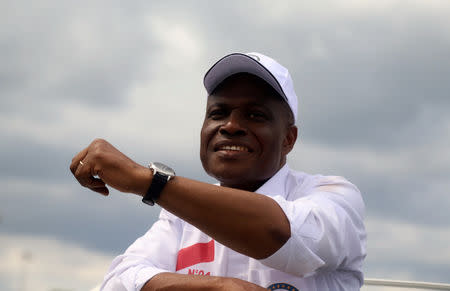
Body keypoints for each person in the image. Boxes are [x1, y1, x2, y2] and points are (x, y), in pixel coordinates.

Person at [70, 52, 366, 291]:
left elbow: (282, 233)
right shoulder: (179, 215)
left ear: (288, 139)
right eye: (218, 113)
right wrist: (218, 287)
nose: (231, 126)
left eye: (255, 115)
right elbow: (120, 280)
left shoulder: (333, 195)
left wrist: (149, 182)